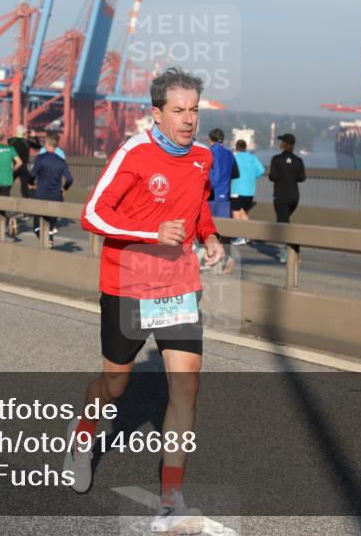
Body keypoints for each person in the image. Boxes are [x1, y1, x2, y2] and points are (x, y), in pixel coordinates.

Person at [66, 67, 224, 534]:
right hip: (128, 286)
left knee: (187, 387)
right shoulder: (133, 151)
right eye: (178, 110)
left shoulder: (202, 157)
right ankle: (84, 436)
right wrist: (150, 231)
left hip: (178, 285)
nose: (188, 119)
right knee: (114, 388)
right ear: (157, 113)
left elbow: (197, 207)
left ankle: (171, 499)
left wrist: (211, 236)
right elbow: (92, 213)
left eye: (194, 110)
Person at [28, 132, 74, 243]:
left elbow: (32, 175)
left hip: (41, 195)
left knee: (37, 226)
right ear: (56, 144)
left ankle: (46, 240)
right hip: (56, 196)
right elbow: (70, 179)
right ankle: (49, 239)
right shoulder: (61, 161)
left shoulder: (40, 158)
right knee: (50, 227)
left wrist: (31, 183)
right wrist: (65, 189)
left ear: (46, 143)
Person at [268, 133, 306, 263]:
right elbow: (302, 178)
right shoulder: (298, 160)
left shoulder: (276, 159)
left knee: (283, 223)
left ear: (284, 144)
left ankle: (293, 250)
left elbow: (272, 176)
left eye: (281, 141)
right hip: (294, 197)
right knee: (284, 220)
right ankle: (289, 250)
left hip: (280, 196)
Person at [206, 128, 239, 274]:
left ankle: (210, 261)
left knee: (207, 231)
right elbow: (235, 174)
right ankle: (227, 260)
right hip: (224, 197)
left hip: (210, 196)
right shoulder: (230, 154)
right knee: (224, 232)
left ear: (210, 139)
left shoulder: (208, 152)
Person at [230, 139, 264, 245]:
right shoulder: (253, 157)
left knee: (236, 212)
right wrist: (253, 176)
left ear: (236, 148)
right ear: (245, 148)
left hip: (236, 189)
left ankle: (239, 236)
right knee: (243, 212)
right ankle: (246, 236)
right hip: (250, 191)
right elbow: (261, 171)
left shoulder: (234, 157)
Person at [8, 125, 34, 199]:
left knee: (7, 188)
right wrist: (34, 137)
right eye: (26, 133)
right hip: (24, 168)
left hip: (14, 167)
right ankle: (25, 207)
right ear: (23, 134)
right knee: (24, 191)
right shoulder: (26, 142)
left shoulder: (11, 141)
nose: (27, 135)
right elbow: (39, 146)